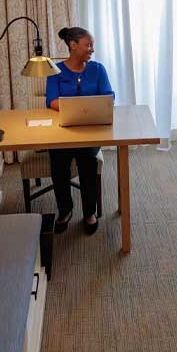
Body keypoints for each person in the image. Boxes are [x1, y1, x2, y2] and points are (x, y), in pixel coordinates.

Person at [45, 26, 115, 234]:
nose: (92, 49)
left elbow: (109, 96)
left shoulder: (98, 69)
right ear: (73, 45)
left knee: (87, 161)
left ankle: (89, 212)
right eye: (88, 45)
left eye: (92, 45)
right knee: (58, 162)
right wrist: (81, 106)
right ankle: (65, 210)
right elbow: (51, 101)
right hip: (62, 131)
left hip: (91, 131)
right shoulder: (55, 71)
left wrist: (79, 106)